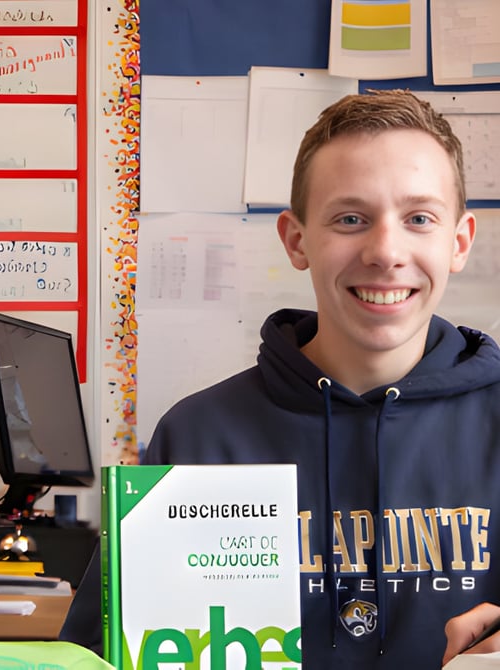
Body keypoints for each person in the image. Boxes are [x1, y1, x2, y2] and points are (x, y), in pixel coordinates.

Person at [62, 89, 500, 668]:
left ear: (459, 241)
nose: (386, 250)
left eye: (419, 218)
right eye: (351, 218)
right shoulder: (199, 436)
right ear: (296, 240)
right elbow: (99, 656)